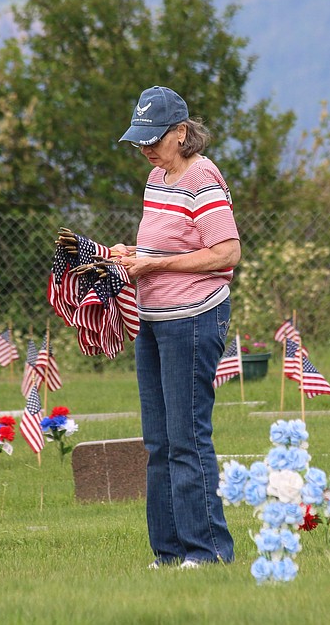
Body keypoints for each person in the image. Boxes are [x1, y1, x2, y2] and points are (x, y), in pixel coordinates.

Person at [113, 85, 240, 569]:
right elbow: (164, 247)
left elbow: (226, 252)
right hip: (153, 319)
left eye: (154, 138)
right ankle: (168, 553)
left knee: (187, 438)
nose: (145, 148)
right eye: (140, 139)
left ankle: (207, 552)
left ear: (182, 133)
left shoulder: (201, 176)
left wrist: (154, 267)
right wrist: (130, 256)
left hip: (193, 320)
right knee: (158, 442)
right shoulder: (158, 178)